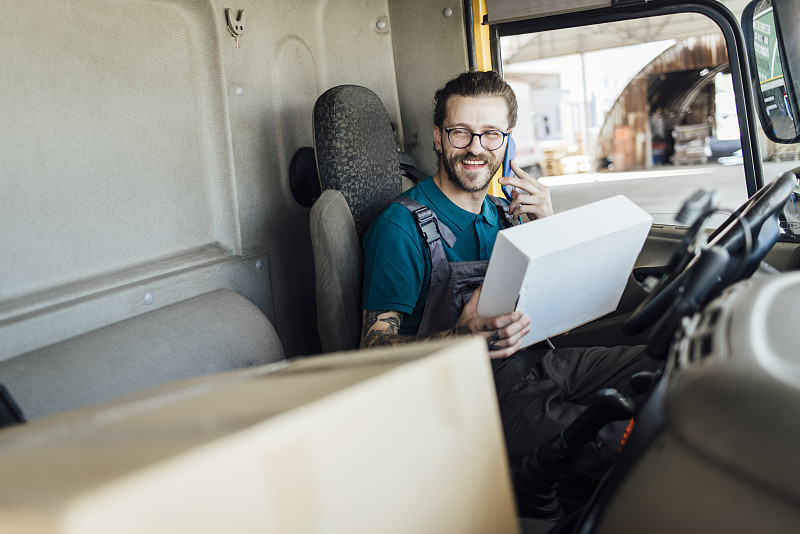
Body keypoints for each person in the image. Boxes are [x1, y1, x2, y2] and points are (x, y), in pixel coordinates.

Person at [360, 70, 660, 474]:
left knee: (669, 366)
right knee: (626, 445)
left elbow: (560, 330)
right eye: (460, 133)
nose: (475, 149)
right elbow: (370, 352)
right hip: (472, 398)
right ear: (437, 137)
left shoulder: (508, 213)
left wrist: (550, 231)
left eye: (491, 134)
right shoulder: (400, 227)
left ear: (508, 141)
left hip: (541, 365)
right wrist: (459, 340)